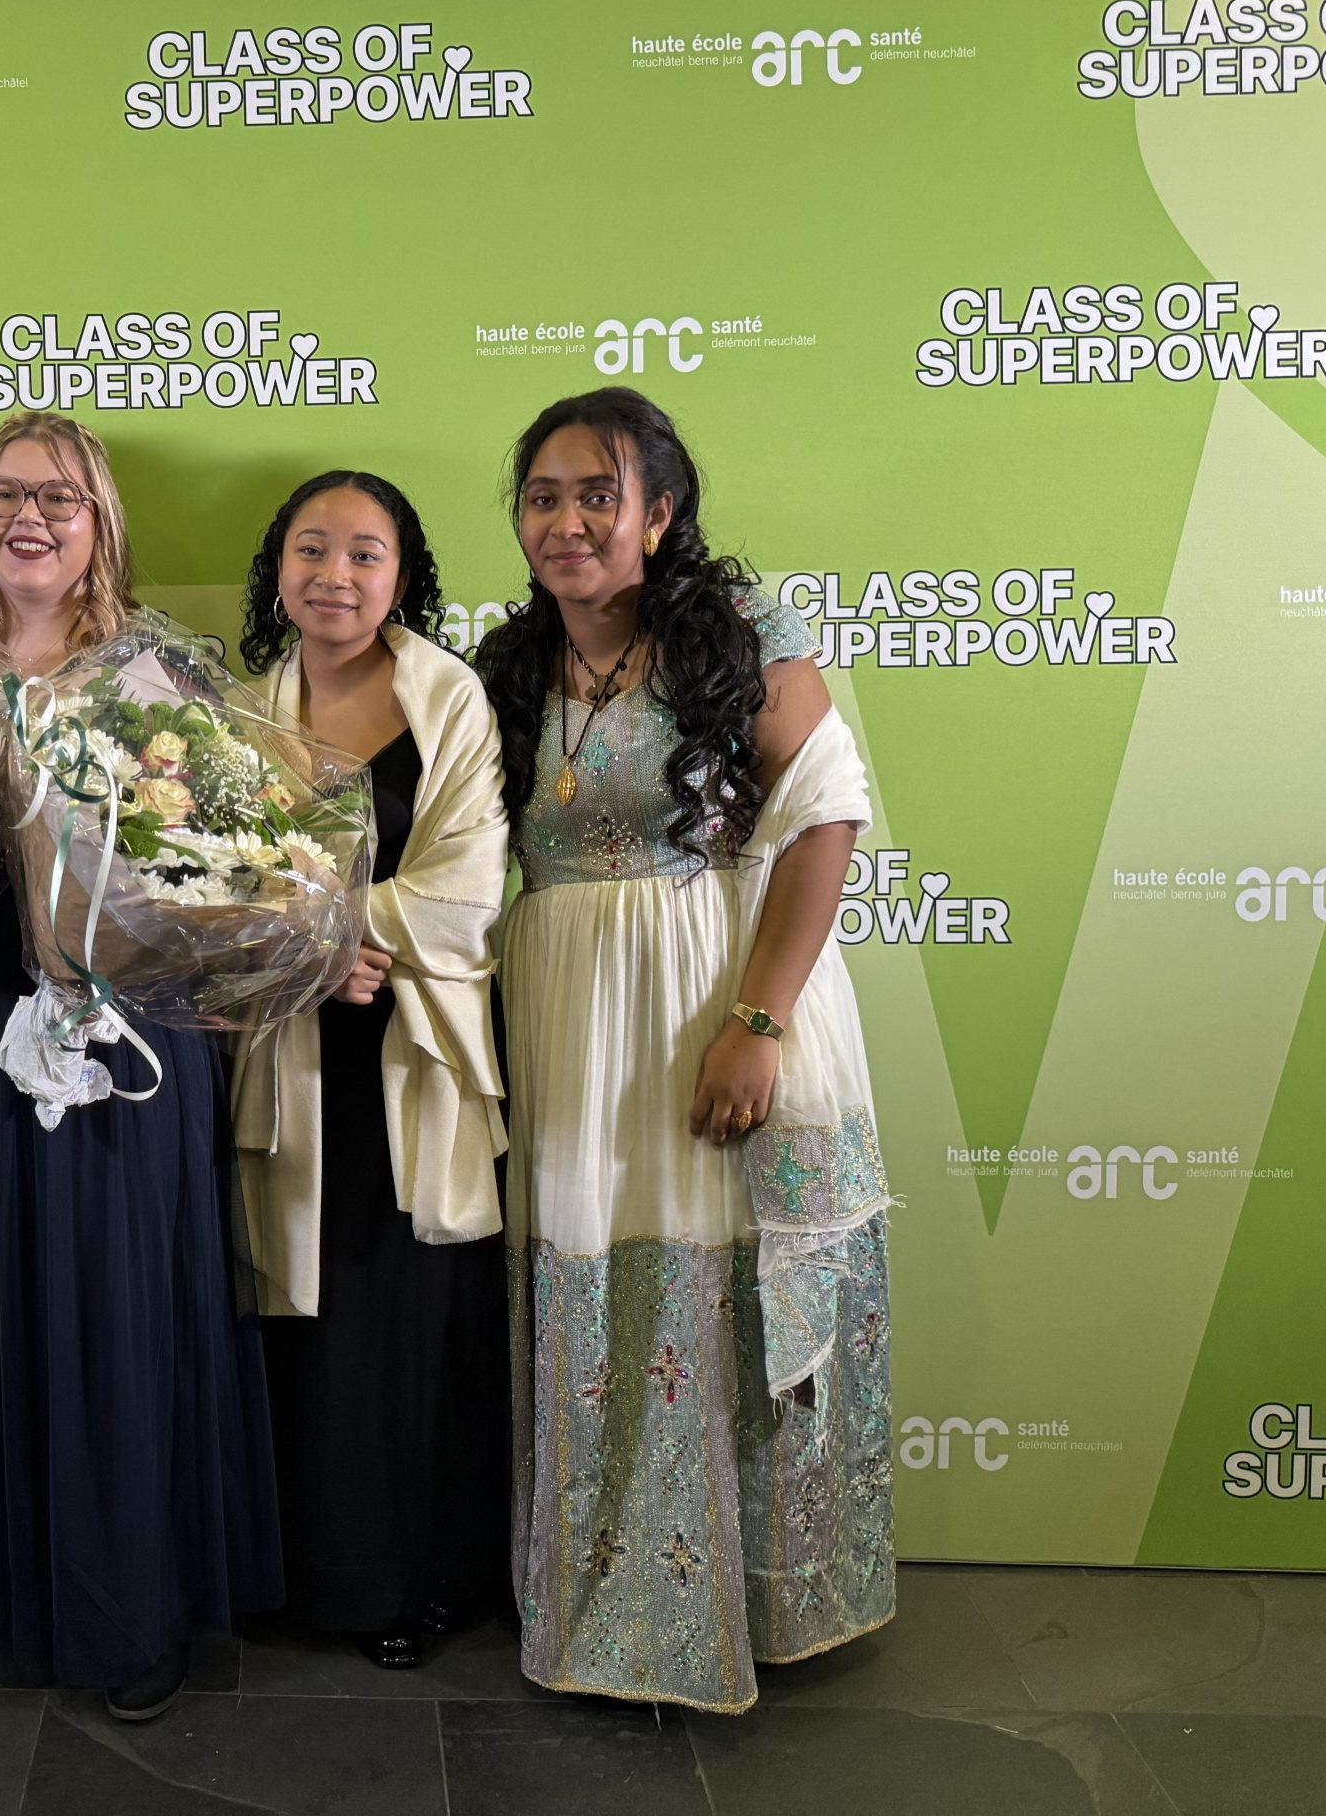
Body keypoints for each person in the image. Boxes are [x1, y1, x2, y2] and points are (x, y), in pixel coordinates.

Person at [475, 387, 894, 1712]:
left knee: (719, 1279)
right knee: (599, 1281)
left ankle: (750, 1607)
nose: (566, 522)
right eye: (543, 497)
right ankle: (618, 1603)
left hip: (713, 997)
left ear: (658, 513)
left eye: (598, 496)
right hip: (568, 1017)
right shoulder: (506, 664)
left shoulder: (740, 629)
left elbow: (823, 819)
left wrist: (757, 1023)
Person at [0, 411, 282, 1721]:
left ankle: (129, 1609)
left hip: (118, 1031)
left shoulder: (160, 673)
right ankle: (0, 1592)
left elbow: (221, 860)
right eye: (3, 493)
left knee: (113, 1310)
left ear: (100, 522)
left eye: (58, 496)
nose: (27, 517)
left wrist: (200, 949)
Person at [228, 471, 510, 1670]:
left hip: (409, 1042)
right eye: (310, 549)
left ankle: (412, 1582)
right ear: (277, 569)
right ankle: (297, 1572)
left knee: (403, 1316)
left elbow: (468, 885)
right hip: (287, 1042)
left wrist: (336, 934)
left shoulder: (450, 699)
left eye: (363, 553)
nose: (333, 575)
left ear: (404, 576)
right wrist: (302, 954)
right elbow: (204, 878)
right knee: (301, 1317)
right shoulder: (242, 710)